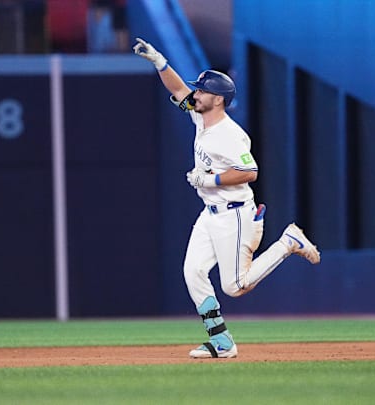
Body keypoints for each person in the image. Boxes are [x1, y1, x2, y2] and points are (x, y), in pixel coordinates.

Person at [133, 38, 321, 359]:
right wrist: (160, 62)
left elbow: (250, 171)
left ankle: (287, 243)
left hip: (235, 214)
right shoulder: (200, 117)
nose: (197, 94)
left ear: (217, 99)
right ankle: (222, 341)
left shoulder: (230, 134)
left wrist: (210, 179)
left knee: (235, 287)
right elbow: (179, 90)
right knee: (192, 272)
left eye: (203, 91)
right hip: (210, 213)